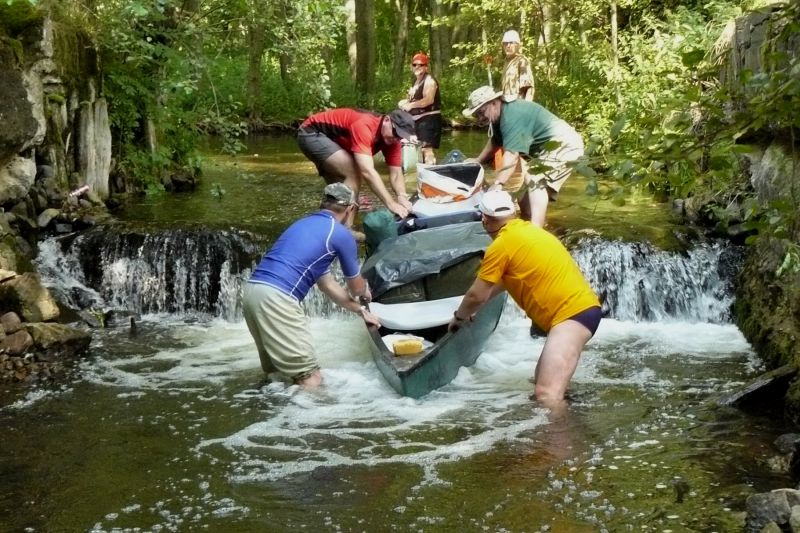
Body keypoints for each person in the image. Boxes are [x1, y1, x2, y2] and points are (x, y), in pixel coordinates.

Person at [448, 190, 601, 407]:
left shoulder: (501, 245)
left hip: (571, 316)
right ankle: (572, 418)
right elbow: (504, 283)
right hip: (581, 311)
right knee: (542, 383)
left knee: (546, 394)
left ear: (484, 219)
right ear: (514, 212)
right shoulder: (530, 231)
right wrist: (476, 308)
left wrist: (459, 317)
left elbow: (476, 294)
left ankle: (560, 440)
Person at [242, 183, 381, 388]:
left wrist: (359, 310)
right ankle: (312, 419)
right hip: (278, 299)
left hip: (253, 293)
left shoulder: (302, 225)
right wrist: (365, 294)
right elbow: (357, 288)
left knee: (277, 376)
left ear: (322, 203)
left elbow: (327, 284)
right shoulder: (340, 234)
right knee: (310, 377)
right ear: (351, 209)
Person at [462, 86, 584, 227]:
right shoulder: (498, 117)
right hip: (546, 152)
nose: (479, 118)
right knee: (524, 204)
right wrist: (478, 161)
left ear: (494, 103)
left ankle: (536, 232)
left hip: (565, 145)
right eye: (476, 115)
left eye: (481, 112)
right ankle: (541, 229)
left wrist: (497, 184)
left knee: (534, 179)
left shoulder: (512, 116)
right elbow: (496, 141)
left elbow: (512, 155)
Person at [297, 108, 416, 224]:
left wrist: (402, 196)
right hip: (312, 133)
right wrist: (391, 203)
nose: (395, 138)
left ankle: (329, 227)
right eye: (395, 132)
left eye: (400, 136)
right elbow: (367, 171)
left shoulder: (393, 141)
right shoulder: (365, 124)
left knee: (343, 192)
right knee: (354, 172)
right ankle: (347, 230)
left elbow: (396, 173)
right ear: (386, 120)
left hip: (334, 142)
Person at [398, 52, 442, 164]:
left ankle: (431, 172)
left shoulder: (429, 81)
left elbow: (428, 100)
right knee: (418, 148)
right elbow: (413, 99)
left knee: (426, 149)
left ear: (426, 67)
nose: (417, 67)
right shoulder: (415, 82)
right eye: (414, 65)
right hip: (417, 121)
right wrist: (404, 103)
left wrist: (410, 105)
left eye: (421, 64)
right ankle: (422, 173)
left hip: (429, 120)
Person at [500, 30, 534, 102]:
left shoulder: (522, 61)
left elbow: (528, 88)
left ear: (518, 45)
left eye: (511, 43)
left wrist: (526, 107)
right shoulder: (506, 61)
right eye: (505, 43)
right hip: (506, 103)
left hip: (518, 103)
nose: (508, 46)